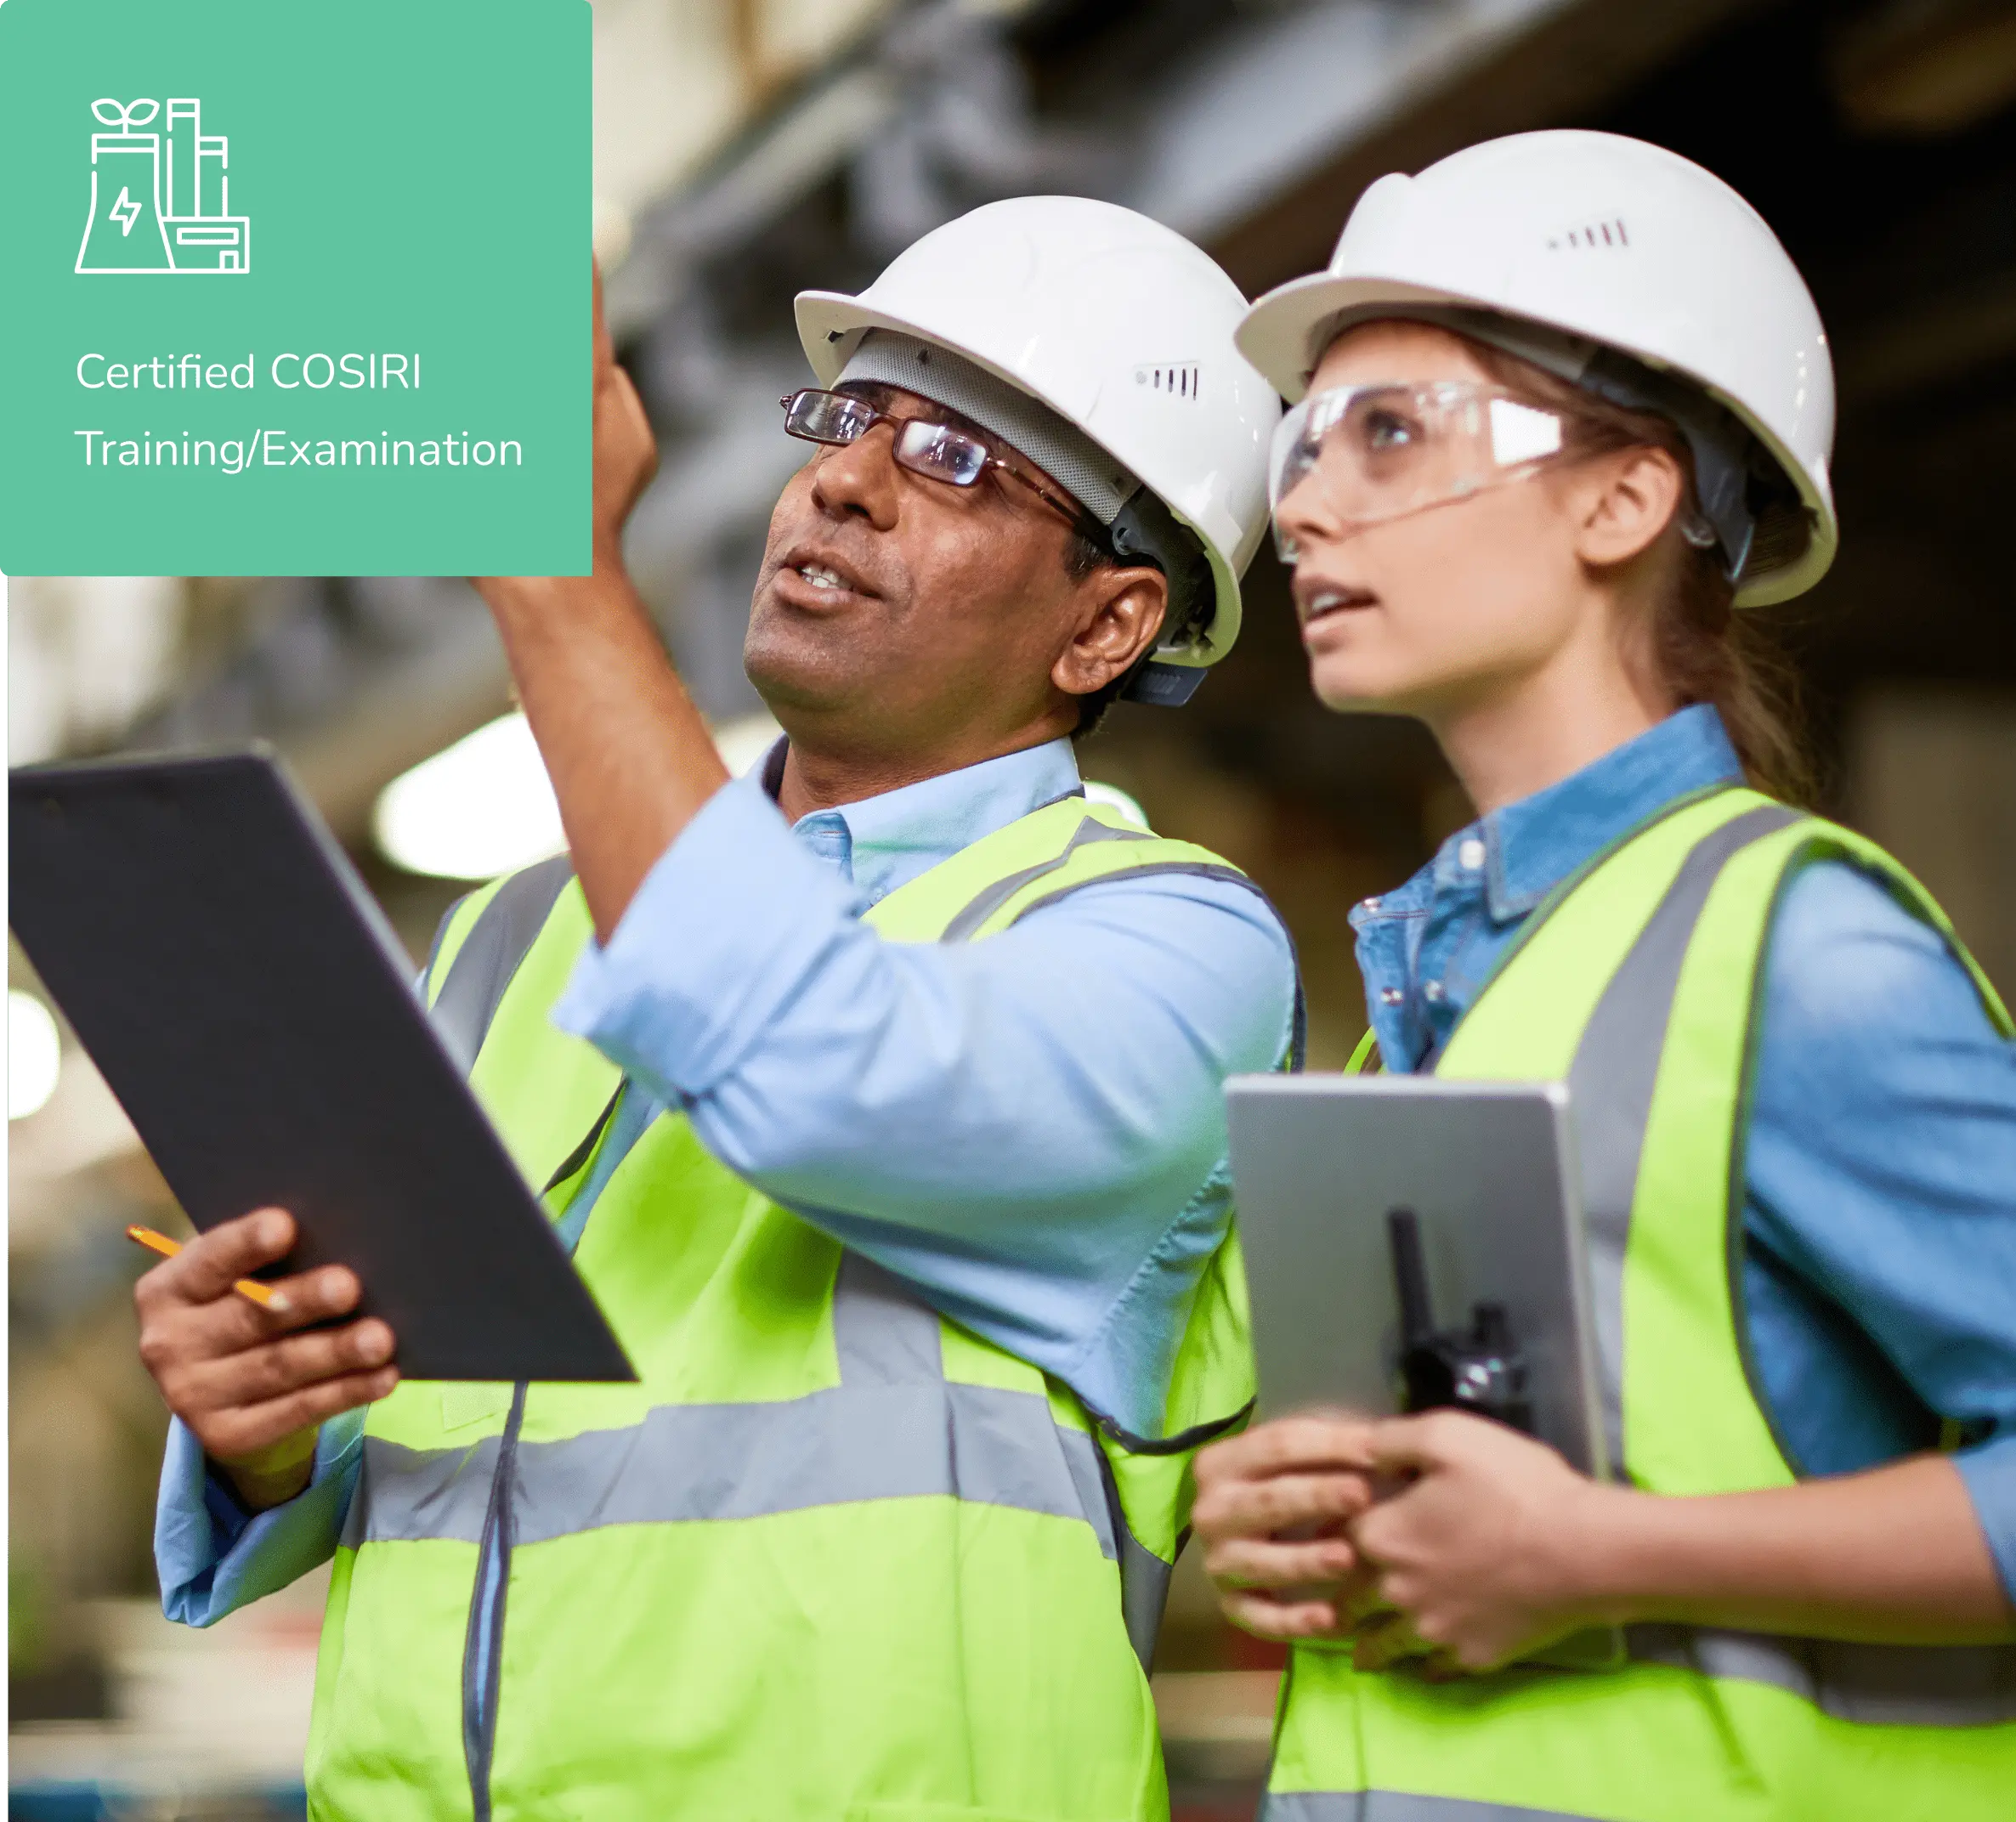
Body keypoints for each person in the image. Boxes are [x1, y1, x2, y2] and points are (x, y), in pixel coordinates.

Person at [133, 196, 1298, 1820]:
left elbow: (818, 1074)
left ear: (1107, 623)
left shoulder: (1163, 950)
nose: (842, 479)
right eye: (849, 415)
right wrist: (263, 1418)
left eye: (956, 459)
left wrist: (557, 579)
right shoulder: (512, 932)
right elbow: (404, 1427)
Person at [1187, 130, 2016, 1820]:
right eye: (1301, 441)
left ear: (1621, 498)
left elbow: (1568, 1543)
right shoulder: (1444, 985)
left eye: (1391, 431)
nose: (1301, 502)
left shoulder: (1799, 951)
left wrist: (1599, 1554)